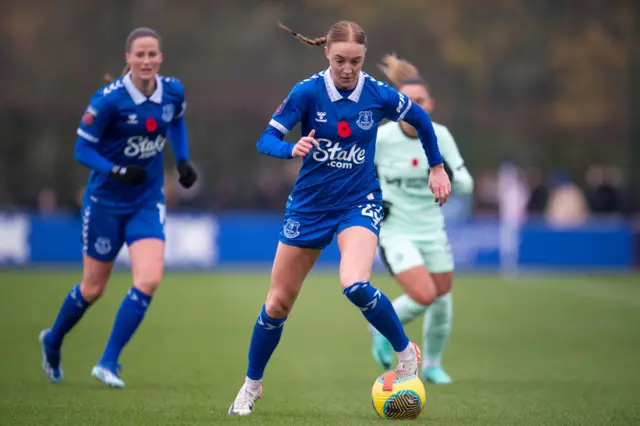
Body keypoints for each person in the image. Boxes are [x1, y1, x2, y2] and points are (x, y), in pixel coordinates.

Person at [228, 21, 451, 416]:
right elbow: (265, 139)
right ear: (326, 55)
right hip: (309, 207)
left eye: (356, 61)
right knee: (278, 303)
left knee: (354, 283)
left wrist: (436, 167)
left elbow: (420, 118)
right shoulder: (307, 92)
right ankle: (251, 385)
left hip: (358, 202)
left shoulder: (376, 93)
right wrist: (290, 147)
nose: (348, 69)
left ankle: (406, 357)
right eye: (340, 60)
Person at [39, 27, 197, 388]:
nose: (146, 60)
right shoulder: (107, 100)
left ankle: (108, 361)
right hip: (105, 203)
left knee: (149, 279)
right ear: (128, 59)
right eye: (139, 54)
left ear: (160, 58)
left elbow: (177, 121)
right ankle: (53, 339)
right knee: (93, 289)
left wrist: (183, 160)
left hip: (147, 199)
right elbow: (82, 150)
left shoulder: (172, 91)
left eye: (152, 54)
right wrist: (116, 170)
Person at [370, 54, 474, 384]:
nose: (413, 108)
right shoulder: (382, 138)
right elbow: (356, 174)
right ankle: (381, 327)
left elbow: (466, 182)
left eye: (420, 102)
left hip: (432, 230)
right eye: (407, 103)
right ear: (396, 106)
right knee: (424, 294)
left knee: (442, 299)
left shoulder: (440, 136)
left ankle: (431, 365)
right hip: (395, 230)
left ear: (430, 104)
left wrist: (447, 174)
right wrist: (372, 201)